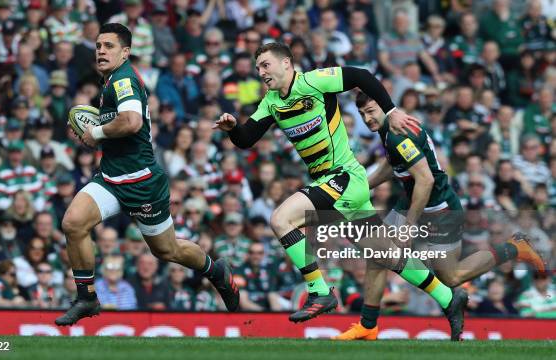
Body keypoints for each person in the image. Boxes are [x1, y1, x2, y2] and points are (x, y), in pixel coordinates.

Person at [214, 43, 466, 340]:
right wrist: (232, 128)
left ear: (286, 63)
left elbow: (361, 75)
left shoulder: (314, 82)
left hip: (343, 178)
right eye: (258, 68)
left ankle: (319, 291)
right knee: (385, 254)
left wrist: (391, 110)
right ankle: (449, 299)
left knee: (281, 219)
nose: (261, 72)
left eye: (265, 65)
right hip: (338, 185)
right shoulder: (271, 103)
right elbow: (246, 139)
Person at [55, 23, 238, 326]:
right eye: (99, 45)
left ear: (125, 52)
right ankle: (87, 298)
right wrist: (98, 134)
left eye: (109, 46)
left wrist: (96, 132)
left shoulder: (123, 80)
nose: (101, 50)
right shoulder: (111, 79)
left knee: (168, 250)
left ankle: (216, 271)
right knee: (73, 223)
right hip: (112, 177)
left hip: (142, 183)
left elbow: (131, 122)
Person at [333, 92, 546, 340]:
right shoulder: (390, 128)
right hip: (414, 200)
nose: (367, 118)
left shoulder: (397, 134)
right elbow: (393, 164)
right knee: (378, 253)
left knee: (452, 276)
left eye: (370, 111)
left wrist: (408, 227)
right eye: (362, 114)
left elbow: (425, 179)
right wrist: (363, 187)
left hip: (439, 208)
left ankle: (514, 248)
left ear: (384, 107)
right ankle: (368, 325)